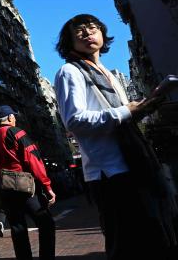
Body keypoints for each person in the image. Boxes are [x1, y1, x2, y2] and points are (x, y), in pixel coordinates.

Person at [54, 14, 177, 259]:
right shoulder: (70, 72)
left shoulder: (107, 74)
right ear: (69, 40)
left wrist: (145, 106)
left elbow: (123, 117)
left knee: (157, 235)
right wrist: (126, 110)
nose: (88, 33)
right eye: (79, 30)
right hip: (110, 170)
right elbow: (75, 121)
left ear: (102, 34)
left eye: (93, 27)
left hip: (137, 163)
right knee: (129, 243)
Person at [0, 105, 56, 260]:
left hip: (6, 188)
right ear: (10, 117)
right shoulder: (16, 132)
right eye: (14, 116)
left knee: (18, 228)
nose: (15, 119)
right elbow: (33, 160)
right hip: (25, 186)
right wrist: (47, 186)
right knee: (46, 223)